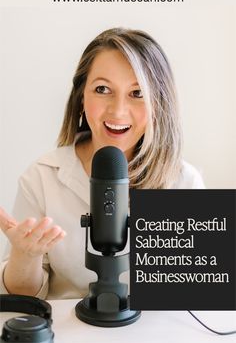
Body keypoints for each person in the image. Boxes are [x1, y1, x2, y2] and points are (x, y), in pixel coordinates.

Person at [0, 28, 204, 300]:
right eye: (103, 89)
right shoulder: (42, 177)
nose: (118, 110)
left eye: (137, 93)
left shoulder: (184, 182)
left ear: (159, 103)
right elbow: (22, 299)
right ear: (81, 97)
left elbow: (197, 302)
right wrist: (24, 257)